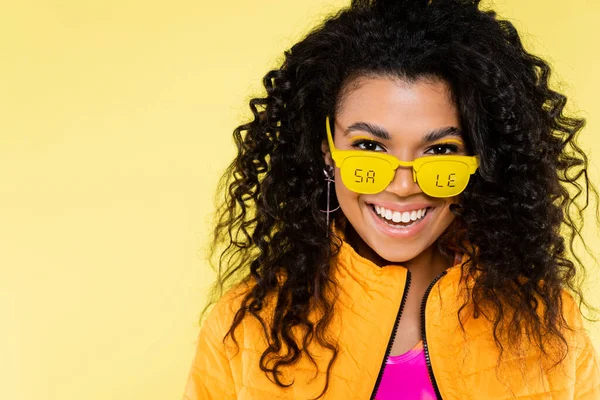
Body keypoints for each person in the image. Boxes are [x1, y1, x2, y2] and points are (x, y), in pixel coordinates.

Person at [183, 0, 600, 399]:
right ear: (326, 150)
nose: (403, 184)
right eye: (369, 146)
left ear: (481, 162)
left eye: (440, 151)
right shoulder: (245, 328)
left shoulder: (550, 324)